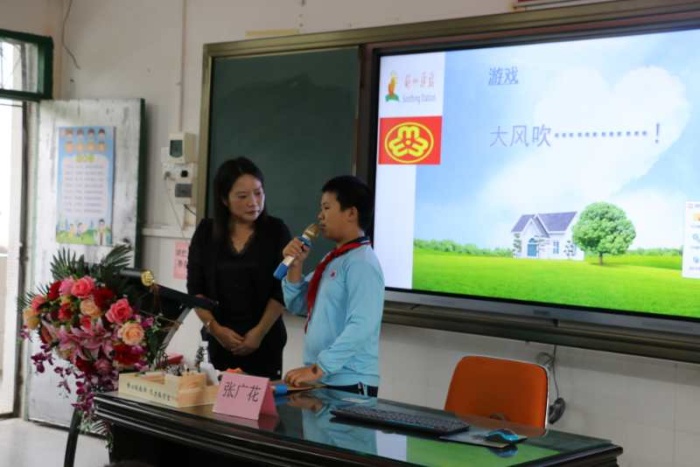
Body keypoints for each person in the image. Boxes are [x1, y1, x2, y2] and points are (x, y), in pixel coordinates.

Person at [187, 157, 291, 379]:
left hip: (265, 343)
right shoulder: (206, 233)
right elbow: (195, 289)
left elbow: (282, 289)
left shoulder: (276, 231)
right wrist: (216, 330)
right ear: (224, 199)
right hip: (218, 343)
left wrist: (258, 333)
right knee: (216, 399)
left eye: (258, 193)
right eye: (242, 196)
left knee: (261, 401)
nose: (253, 202)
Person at [281, 175, 384, 396]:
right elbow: (298, 305)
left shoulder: (362, 262)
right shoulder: (333, 259)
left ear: (351, 213)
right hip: (322, 377)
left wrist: (318, 368)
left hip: (348, 381)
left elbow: (362, 325)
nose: (320, 216)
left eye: (326, 208)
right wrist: (295, 266)